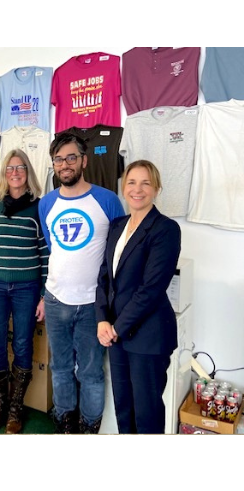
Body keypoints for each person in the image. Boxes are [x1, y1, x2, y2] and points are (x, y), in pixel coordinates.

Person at [38, 132, 125, 434]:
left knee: (90, 372)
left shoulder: (108, 200)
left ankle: (89, 424)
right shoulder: (46, 204)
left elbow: (117, 253)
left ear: (84, 160)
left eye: (71, 157)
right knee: (60, 367)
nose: (65, 164)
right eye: (59, 159)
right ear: (54, 165)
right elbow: (54, 248)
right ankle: (65, 417)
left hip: (92, 305)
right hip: (56, 299)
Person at [96, 160, 181, 434]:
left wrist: (116, 328)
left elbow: (151, 289)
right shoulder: (117, 225)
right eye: (132, 182)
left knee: (147, 415)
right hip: (116, 336)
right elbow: (104, 278)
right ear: (123, 187)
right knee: (124, 408)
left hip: (147, 337)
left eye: (146, 183)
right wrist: (101, 321)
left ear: (156, 189)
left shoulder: (165, 229)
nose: (138, 189)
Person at [0, 149, 50, 435]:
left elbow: (45, 253)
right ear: (4, 173)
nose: (15, 172)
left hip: (27, 288)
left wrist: (43, 293)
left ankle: (16, 407)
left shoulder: (39, 207)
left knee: (23, 345)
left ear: (28, 172)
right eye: (10, 168)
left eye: (21, 167)